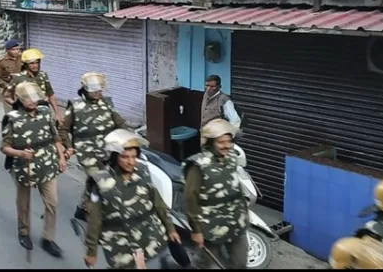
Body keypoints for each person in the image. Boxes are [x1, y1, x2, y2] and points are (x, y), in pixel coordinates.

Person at [83, 129, 180, 269]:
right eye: (125, 157)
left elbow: (158, 203)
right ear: (115, 157)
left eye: (134, 157)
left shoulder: (142, 171)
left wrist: (170, 228)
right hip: (120, 245)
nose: (130, 162)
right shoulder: (101, 182)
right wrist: (91, 251)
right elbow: (94, 221)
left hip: (149, 237)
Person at [0, 81, 66, 257]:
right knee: (24, 204)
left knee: (52, 203)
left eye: (35, 98)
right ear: (21, 100)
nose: (33, 101)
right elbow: (4, 147)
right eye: (28, 99)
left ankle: (48, 238)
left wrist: (61, 157)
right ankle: (24, 232)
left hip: (47, 165)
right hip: (24, 167)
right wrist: (20, 153)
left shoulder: (45, 112)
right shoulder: (12, 118)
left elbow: (55, 137)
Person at [59, 72, 128, 221]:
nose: (98, 92)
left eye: (100, 89)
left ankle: (83, 208)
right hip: (87, 153)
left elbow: (120, 123)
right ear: (85, 89)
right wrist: (69, 147)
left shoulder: (107, 103)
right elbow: (63, 129)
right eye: (95, 90)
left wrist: (128, 139)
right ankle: (102, 215)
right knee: (102, 181)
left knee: (95, 180)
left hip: (107, 151)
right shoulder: (75, 106)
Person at [184, 119, 249, 269]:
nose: (226, 146)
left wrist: (244, 213)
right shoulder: (198, 165)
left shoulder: (232, 157)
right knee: (204, 264)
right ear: (211, 142)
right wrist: (196, 230)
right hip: (210, 225)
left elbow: (235, 186)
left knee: (240, 263)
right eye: (221, 142)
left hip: (235, 221)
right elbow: (190, 199)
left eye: (229, 141)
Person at [3, 48, 61, 120]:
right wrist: (17, 105)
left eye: (37, 63)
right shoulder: (18, 78)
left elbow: (51, 95)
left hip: (43, 112)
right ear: (26, 64)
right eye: (32, 63)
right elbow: (7, 96)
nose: (35, 65)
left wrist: (57, 114)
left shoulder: (43, 75)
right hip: (25, 115)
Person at [0, 39, 22, 114]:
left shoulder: (22, 58)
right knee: (10, 114)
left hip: (22, 90)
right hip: (9, 92)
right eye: (13, 49)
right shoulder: (1, 61)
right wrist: (7, 86)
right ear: (8, 50)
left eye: (17, 49)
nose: (16, 51)